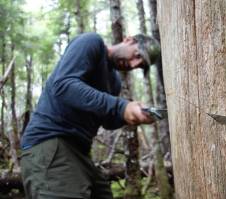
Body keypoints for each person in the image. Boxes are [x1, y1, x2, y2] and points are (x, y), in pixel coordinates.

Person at [20, 32, 161, 199]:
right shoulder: (91, 43)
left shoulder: (113, 82)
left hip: (79, 151)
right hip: (50, 142)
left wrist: (132, 115)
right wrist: (121, 107)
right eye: (137, 55)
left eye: (139, 65)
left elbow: (106, 120)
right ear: (128, 40)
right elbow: (63, 85)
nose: (133, 64)